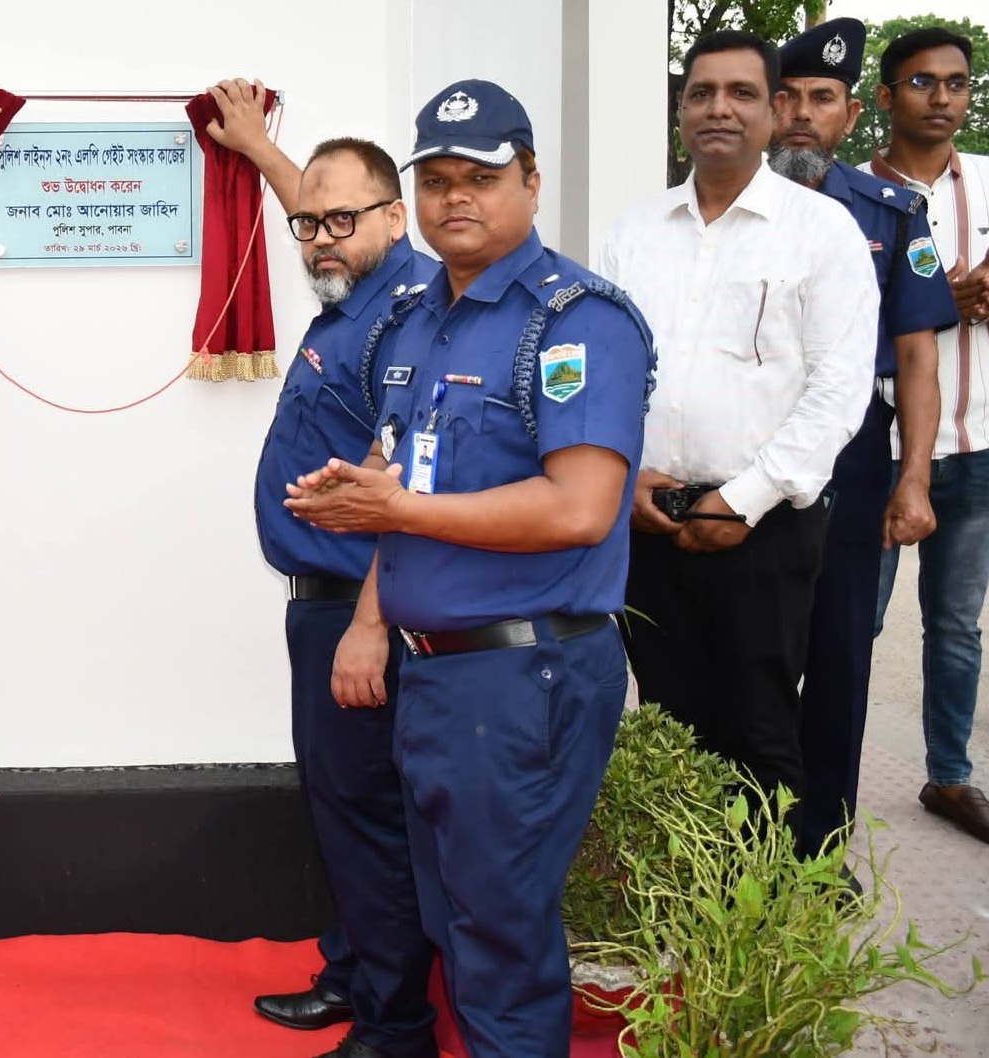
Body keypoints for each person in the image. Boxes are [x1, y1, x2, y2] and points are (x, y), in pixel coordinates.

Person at [287, 79, 653, 1057]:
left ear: (530, 181)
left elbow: (580, 507)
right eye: (438, 178)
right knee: (454, 922)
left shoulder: (574, 320)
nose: (458, 196)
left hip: (523, 671)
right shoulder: (417, 321)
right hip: (436, 671)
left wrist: (395, 505)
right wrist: (361, 493)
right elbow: (400, 473)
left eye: (482, 177)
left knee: (497, 939)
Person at [204, 78, 437, 1058]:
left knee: (368, 812)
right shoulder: (355, 293)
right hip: (324, 600)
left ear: (396, 215)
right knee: (342, 808)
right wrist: (263, 152)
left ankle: (394, 1023)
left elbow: (410, 481)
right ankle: (355, 968)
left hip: (362, 605)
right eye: (303, 225)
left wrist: (369, 624)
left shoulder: (411, 312)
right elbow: (328, 203)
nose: (315, 239)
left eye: (338, 221)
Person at [599, 31, 878, 811]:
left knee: (758, 730)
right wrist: (625, 479)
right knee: (669, 725)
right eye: (700, 92)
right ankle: (685, 904)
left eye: (740, 93)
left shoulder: (819, 232)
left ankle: (763, 920)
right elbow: (605, 377)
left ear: (771, 109)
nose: (717, 108)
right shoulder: (635, 233)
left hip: (765, 527)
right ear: (681, 109)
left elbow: (837, 390)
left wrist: (743, 498)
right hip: (650, 519)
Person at [770, 18, 960, 860]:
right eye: (786, 97)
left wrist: (912, 478)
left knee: (839, 655)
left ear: (851, 117)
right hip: (740, 453)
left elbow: (917, 355)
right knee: (745, 654)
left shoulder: (888, 213)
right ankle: (735, 846)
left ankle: (817, 849)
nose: (802, 115)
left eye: (821, 99)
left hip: (851, 456)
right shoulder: (724, 210)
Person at [863, 26, 989, 846]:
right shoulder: (845, 195)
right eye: (920, 82)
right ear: (884, 97)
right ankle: (818, 776)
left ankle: (948, 777)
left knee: (955, 626)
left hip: (979, 443)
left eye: (955, 83)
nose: (941, 97)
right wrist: (932, 301)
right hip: (878, 453)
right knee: (855, 621)